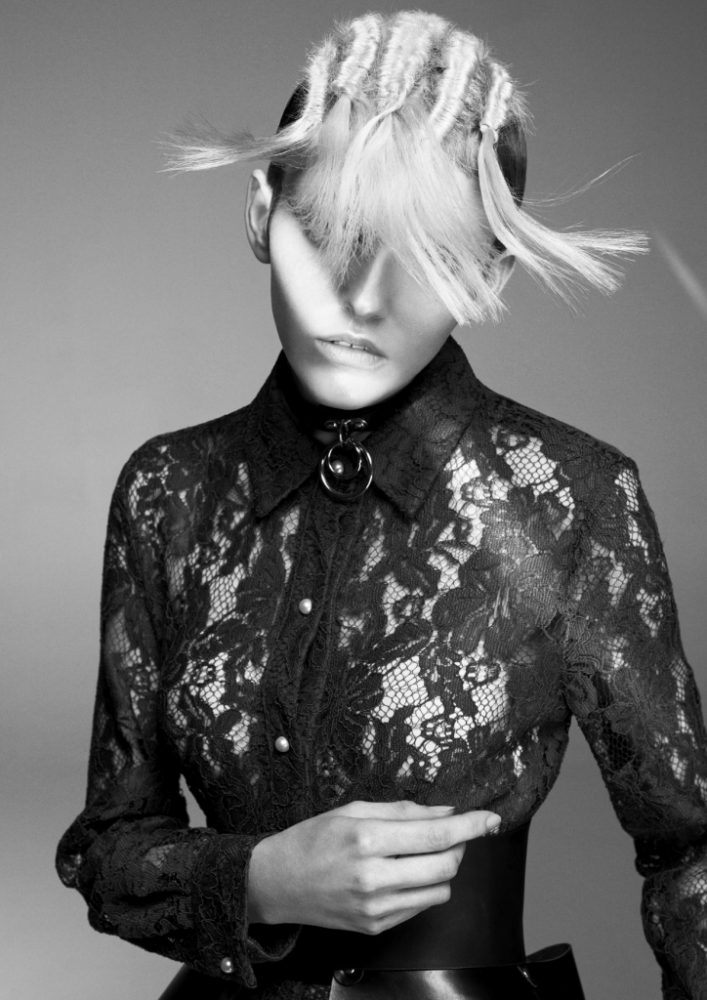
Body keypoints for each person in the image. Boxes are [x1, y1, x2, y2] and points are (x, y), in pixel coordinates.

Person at [55, 10, 707, 999]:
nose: (362, 297)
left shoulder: (571, 498)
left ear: (488, 273)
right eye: (329, 232)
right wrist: (258, 881)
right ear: (260, 211)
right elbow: (108, 846)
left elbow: (689, 850)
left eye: (428, 255)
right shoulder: (167, 492)